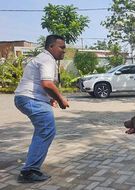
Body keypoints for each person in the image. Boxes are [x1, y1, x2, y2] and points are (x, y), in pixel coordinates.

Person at [14, 34, 69, 183]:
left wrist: (49, 99)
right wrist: (60, 99)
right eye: (61, 47)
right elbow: (47, 84)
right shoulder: (47, 59)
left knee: (43, 130)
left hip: (28, 98)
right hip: (29, 98)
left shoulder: (44, 58)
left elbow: (42, 85)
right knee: (46, 130)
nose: (64, 50)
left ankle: (30, 169)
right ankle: (29, 171)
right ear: (51, 47)